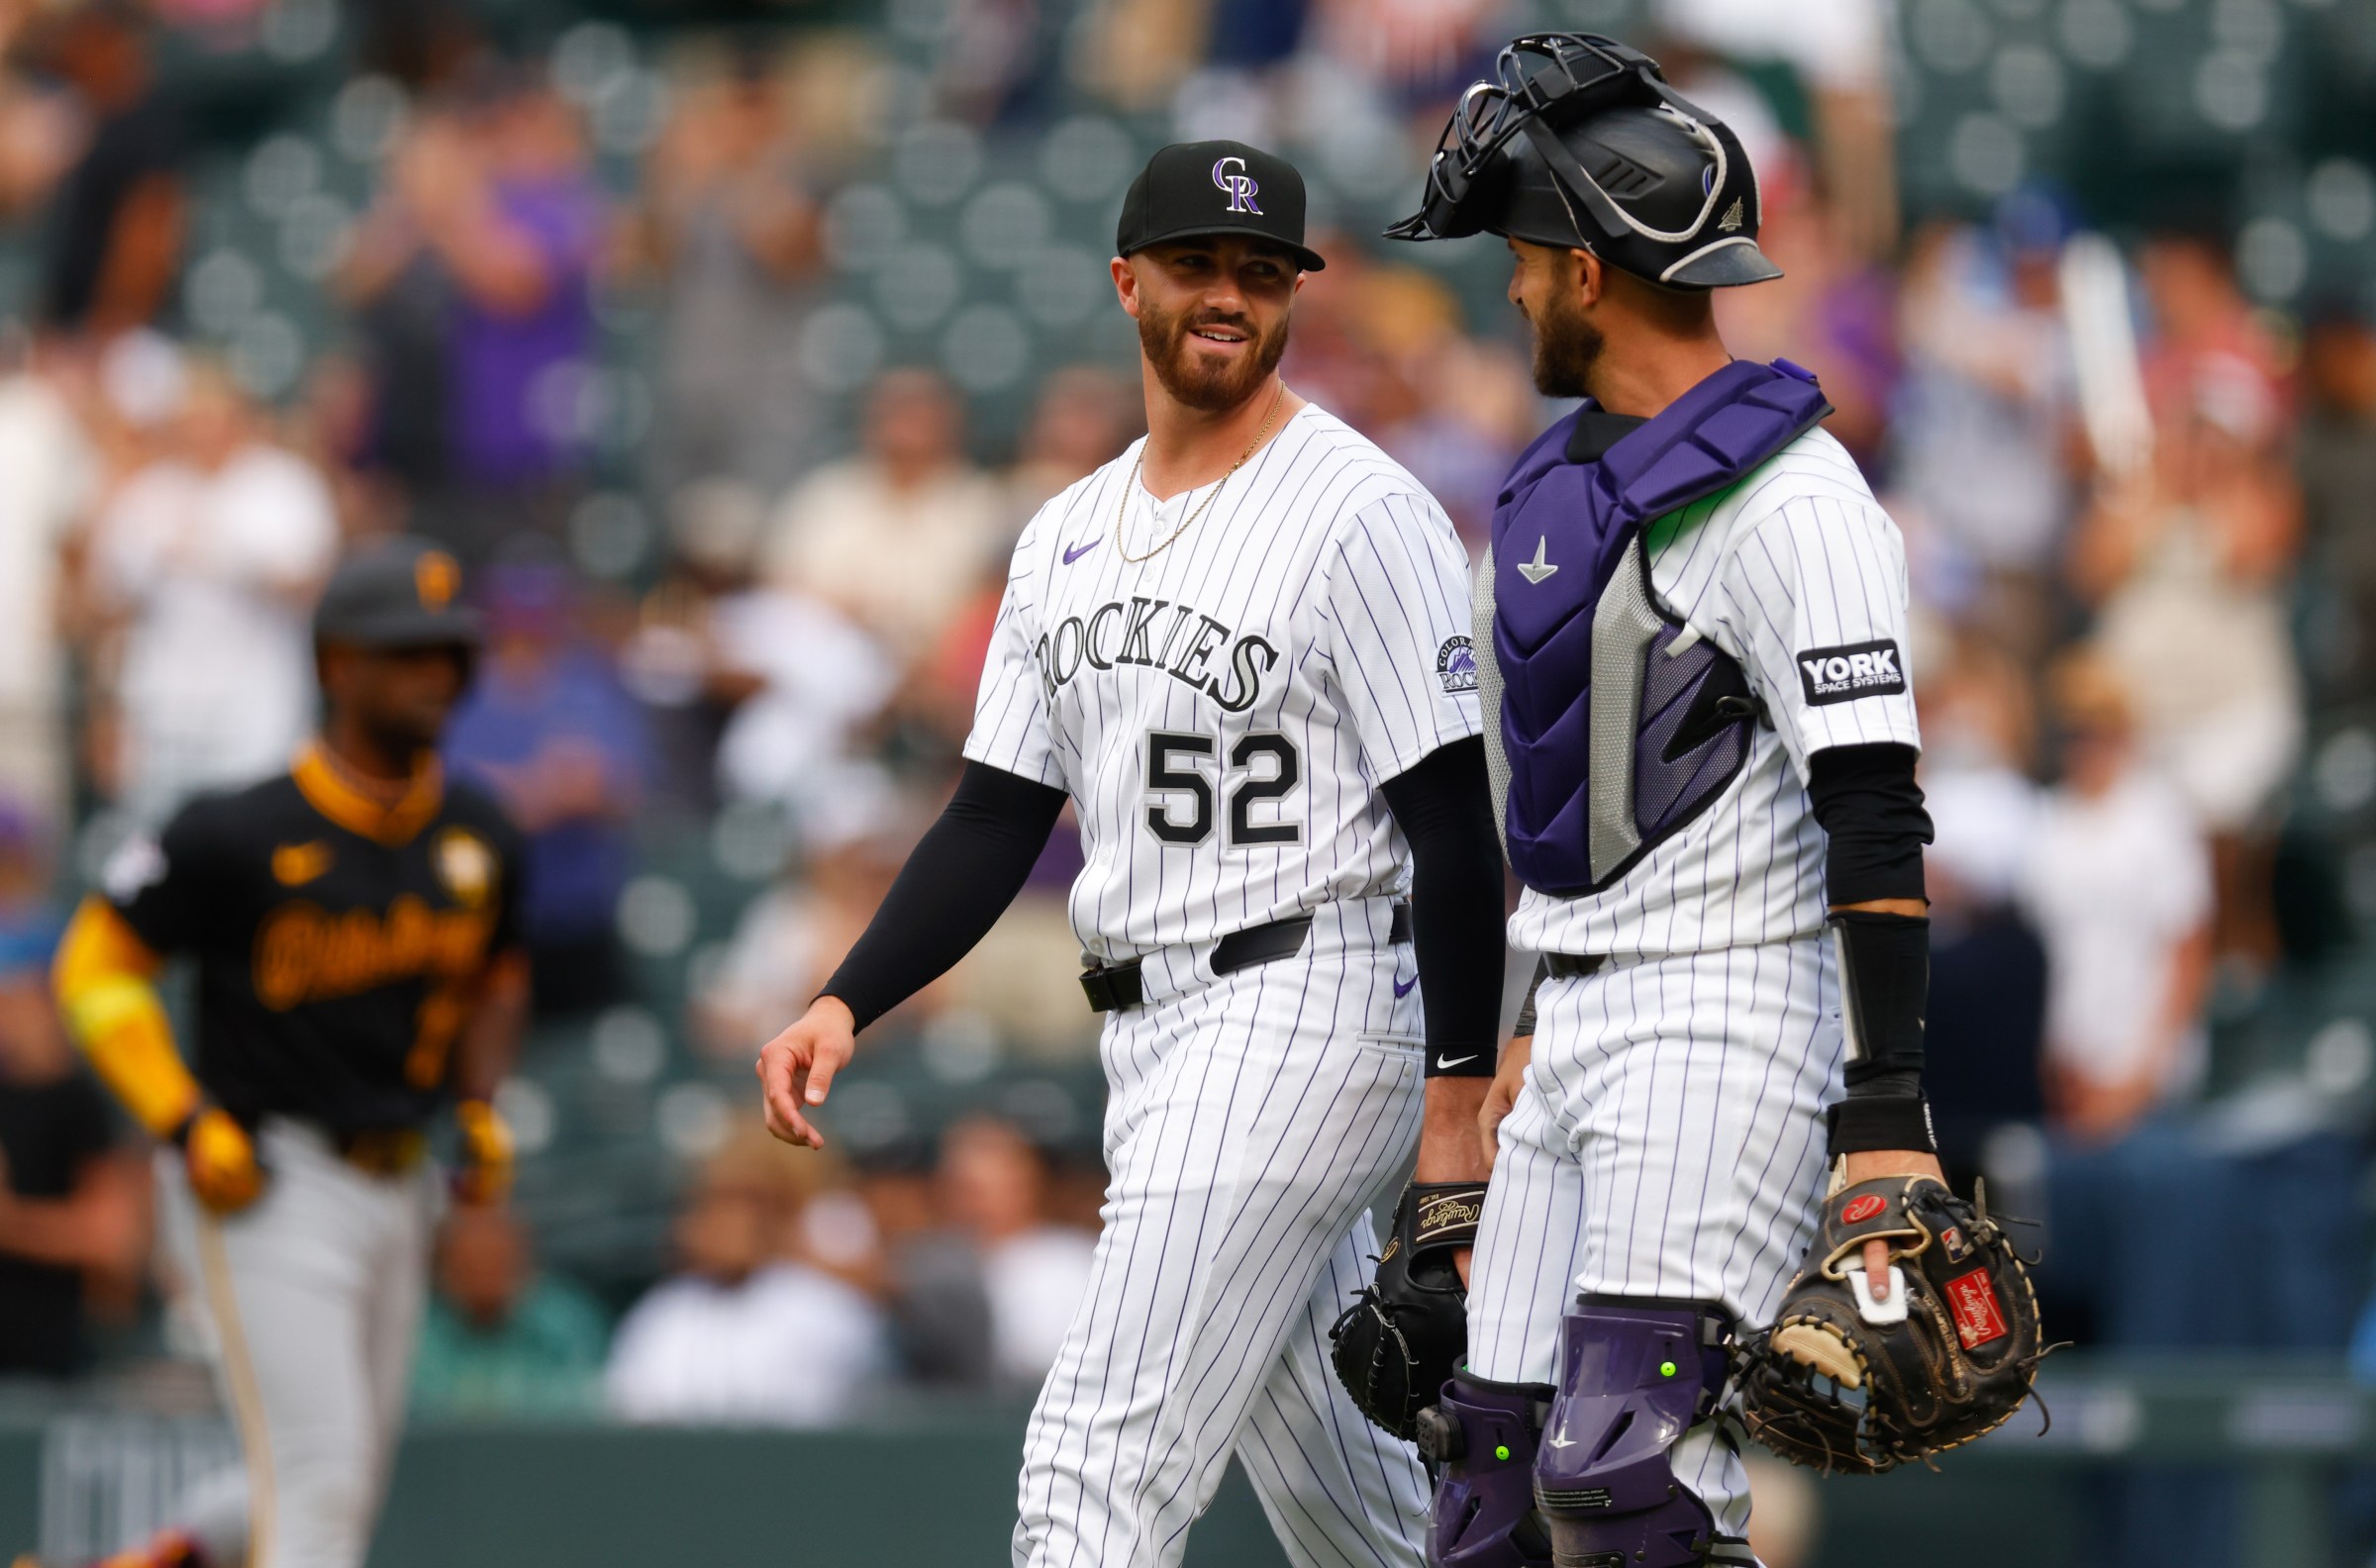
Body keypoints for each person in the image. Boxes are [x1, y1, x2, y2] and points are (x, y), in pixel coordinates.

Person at [757, 140, 1507, 1567]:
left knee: (1093, 1469)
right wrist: (848, 996)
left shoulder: (1365, 513)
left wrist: (1459, 1099)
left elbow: (1456, 838)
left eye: (1260, 271)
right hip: (1155, 1037)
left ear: (1291, 295)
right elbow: (992, 818)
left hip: (1307, 995)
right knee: (1366, 1516)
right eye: (1197, 266)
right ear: (1128, 283)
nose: (1229, 295)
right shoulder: (1061, 539)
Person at [1387, 35, 1944, 1564]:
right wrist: (1512, 1028)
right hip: (1567, 1022)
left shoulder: (1801, 501)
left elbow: (1877, 812)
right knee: (1488, 1494)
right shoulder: (1562, 486)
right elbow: (1548, 824)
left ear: (1583, 270)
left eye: (1519, 254)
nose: (1507, 288)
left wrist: (1885, 1111)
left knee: (1626, 1476)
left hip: (1726, 1016)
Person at [49, 538, 529, 1568]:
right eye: (406, 654)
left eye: (447, 654)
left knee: (338, 1475)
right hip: (265, 1173)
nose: (434, 677)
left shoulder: (480, 829)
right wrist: (180, 1115)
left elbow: (498, 978)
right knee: (321, 1483)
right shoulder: (237, 830)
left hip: (402, 1182)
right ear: (336, 667)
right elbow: (94, 966)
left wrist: (480, 1102)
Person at [604, 1131, 885, 1427]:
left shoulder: (826, 1309)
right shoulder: (661, 1316)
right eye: (717, 1205)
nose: (731, 1223)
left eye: (746, 1206)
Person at [410, 1205, 609, 1418]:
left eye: (497, 1262)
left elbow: (586, 1402)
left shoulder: (564, 1325)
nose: (485, 1276)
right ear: (445, 1272)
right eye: (471, 1267)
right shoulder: (415, 1334)